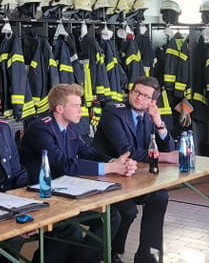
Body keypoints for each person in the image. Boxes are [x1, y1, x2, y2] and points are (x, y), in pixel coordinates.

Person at [0, 77, 84, 263]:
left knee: (68, 227)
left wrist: (28, 203)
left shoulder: (3, 128)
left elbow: (18, 171)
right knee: (14, 238)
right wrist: (14, 211)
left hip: (12, 201)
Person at [19, 83, 133, 263]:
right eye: (76, 106)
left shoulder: (71, 126)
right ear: (59, 108)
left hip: (66, 192)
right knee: (69, 232)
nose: (81, 110)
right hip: (42, 195)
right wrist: (110, 169)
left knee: (112, 216)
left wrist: (116, 162)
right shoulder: (40, 128)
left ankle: (87, 259)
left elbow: (88, 152)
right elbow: (64, 165)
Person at [93, 76, 178, 263]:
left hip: (134, 178)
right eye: (136, 92)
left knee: (160, 196)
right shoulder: (113, 112)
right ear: (130, 92)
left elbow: (169, 148)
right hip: (109, 178)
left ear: (152, 102)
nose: (139, 98)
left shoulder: (148, 117)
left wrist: (159, 122)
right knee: (128, 210)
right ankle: (112, 253)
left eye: (145, 96)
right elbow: (126, 151)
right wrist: (164, 157)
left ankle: (146, 253)